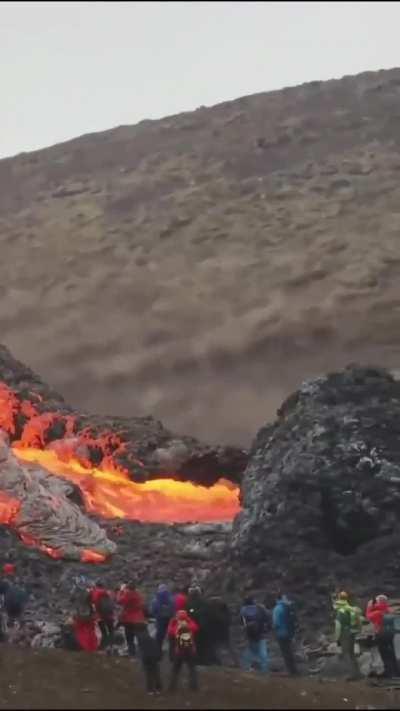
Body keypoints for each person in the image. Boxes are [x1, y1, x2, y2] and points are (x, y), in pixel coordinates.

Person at [366, 594, 400, 678]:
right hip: (390, 635)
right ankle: (395, 672)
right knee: (391, 653)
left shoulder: (377, 612)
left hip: (381, 634)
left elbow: (369, 617)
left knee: (385, 654)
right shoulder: (388, 610)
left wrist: (370, 606)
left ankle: (389, 673)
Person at [333, 591, 363, 681]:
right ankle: (358, 673)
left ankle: (352, 674)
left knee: (346, 654)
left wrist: (336, 637)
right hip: (352, 632)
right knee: (352, 653)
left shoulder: (341, 611)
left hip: (344, 633)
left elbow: (338, 626)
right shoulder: (352, 609)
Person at [168, 609, 199, 692]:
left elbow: (170, 632)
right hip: (190, 650)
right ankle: (194, 687)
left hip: (179, 651)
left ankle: (172, 687)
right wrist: (188, 619)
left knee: (175, 670)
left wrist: (172, 622)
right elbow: (196, 628)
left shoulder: (176, 626)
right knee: (192, 669)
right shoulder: (189, 625)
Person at [240, 595, 270, 673]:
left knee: (252, 650)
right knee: (263, 652)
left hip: (250, 634)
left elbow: (241, 622)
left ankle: (246, 667)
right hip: (261, 633)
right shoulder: (260, 608)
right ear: (253, 601)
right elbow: (267, 618)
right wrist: (267, 629)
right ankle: (264, 669)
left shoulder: (243, 610)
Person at [116, 581, 146, 657]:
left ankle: (132, 654)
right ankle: (143, 653)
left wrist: (120, 591)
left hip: (129, 620)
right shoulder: (138, 594)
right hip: (139, 619)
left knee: (130, 638)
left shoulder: (128, 594)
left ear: (128, 588)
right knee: (140, 637)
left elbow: (119, 601)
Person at [208, 596, 239, 667]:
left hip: (217, 632)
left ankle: (221, 663)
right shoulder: (225, 608)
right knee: (230, 648)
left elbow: (211, 621)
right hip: (225, 632)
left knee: (218, 648)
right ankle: (235, 662)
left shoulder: (211, 610)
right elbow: (229, 620)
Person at [272, 593, 298, 676]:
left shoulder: (277, 608)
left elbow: (276, 623)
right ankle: (294, 670)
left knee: (285, 652)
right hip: (289, 632)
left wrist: (273, 630)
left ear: (276, 599)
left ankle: (289, 671)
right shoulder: (287, 607)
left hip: (281, 633)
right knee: (289, 652)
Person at [89, 580, 115, 651]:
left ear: (96, 585)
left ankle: (104, 646)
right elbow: (113, 603)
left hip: (100, 615)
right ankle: (112, 646)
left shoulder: (95, 592)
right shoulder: (109, 592)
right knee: (111, 630)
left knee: (104, 632)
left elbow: (94, 602)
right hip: (110, 615)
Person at [137, 625, 163, 695]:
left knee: (149, 674)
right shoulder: (150, 636)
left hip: (147, 657)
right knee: (156, 672)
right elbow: (156, 645)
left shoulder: (139, 637)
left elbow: (141, 649)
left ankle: (150, 690)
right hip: (154, 656)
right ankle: (158, 689)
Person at [151, 584, 175, 655]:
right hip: (169, 619)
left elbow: (153, 610)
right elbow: (173, 609)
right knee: (170, 636)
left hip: (160, 619)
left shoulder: (156, 599)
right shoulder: (171, 599)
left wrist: (156, 615)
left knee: (159, 637)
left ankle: (158, 652)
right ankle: (172, 654)